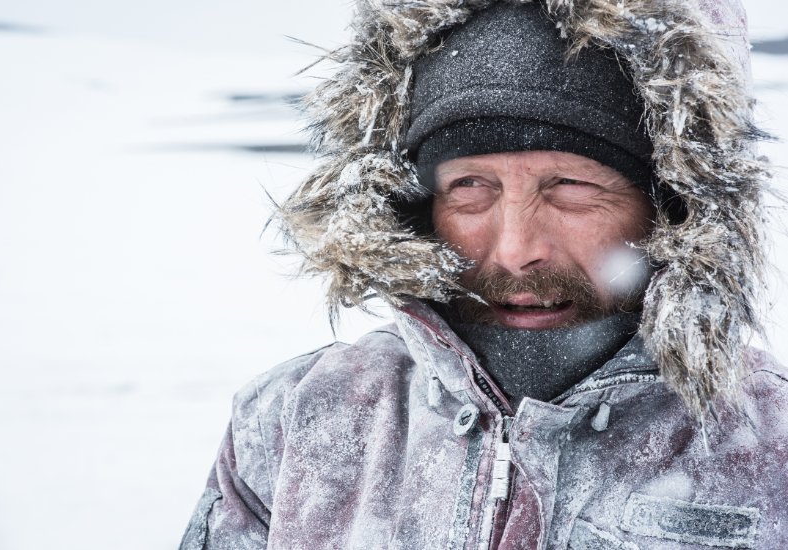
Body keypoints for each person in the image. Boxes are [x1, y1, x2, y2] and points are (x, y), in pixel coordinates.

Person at [180, 0, 788, 548]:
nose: (516, 249)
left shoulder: (772, 448)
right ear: (415, 209)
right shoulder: (293, 419)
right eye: (471, 187)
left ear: (674, 207)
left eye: (571, 186)